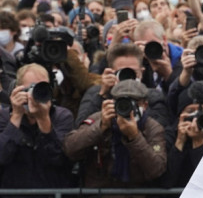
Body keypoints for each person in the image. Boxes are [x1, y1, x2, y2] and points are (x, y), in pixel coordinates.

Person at [63, 79, 167, 189]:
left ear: (145, 105)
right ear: (112, 102)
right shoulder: (100, 119)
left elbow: (157, 169)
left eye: (134, 102)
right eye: (121, 101)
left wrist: (135, 137)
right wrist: (101, 127)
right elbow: (70, 148)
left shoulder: (152, 127)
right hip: (99, 192)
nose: (128, 108)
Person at [0, 64, 74, 194]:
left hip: (51, 192)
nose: (35, 94)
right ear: (18, 90)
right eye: (31, 88)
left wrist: (43, 119)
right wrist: (16, 116)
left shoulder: (62, 116)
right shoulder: (4, 117)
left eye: (42, 88)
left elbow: (58, 159)